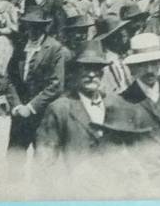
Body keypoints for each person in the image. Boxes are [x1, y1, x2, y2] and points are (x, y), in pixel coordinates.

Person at [35, 40, 130, 170]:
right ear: (75, 73)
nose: (91, 75)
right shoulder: (60, 108)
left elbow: (125, 151)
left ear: (102, 73)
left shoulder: (115, 104)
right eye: (85, 68)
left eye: (96, 68)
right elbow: (44, 160)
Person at [120, 33, 160, 170]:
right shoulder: (124, 100)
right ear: (133, 68)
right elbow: (123, 148)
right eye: (142, 65)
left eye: (154, 63)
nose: (149, 70)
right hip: (146, 175)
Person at [6, 6, 66, 152]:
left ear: (45, 27)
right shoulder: (20, 46)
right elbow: (10, 78)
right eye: (30, 26)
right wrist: (16, 105)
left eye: (38, 27)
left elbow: (56, 84)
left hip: (43, 115)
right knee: (15, 159)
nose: (33, 31)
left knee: (44, 161)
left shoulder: (54, 48)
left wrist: (31, 107)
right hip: (20, 114)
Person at [95, 14, 131, 94]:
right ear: (111, 38)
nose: (123, 36)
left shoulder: (119, 57)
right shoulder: (104, 62)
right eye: (119, 34)